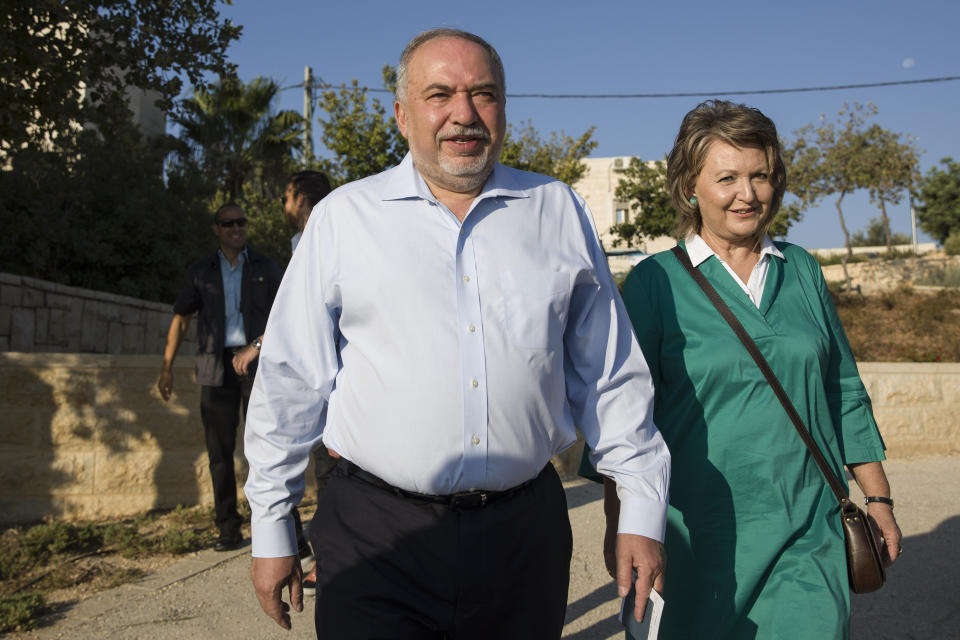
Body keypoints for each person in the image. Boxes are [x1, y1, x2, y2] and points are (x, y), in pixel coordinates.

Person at [243, 28, 671, 638]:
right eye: (439, 94)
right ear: (401, 113)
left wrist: (641, 510)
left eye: (484, 95)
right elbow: (291, 380)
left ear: (503, 108)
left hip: (524, 537)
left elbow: (609, 374)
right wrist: (271, 524)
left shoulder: (557, 210)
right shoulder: (345, 219)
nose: (463, 115)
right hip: (375, 538)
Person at [583, 99, 902, 639]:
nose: (748, 193)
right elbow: (624, 419)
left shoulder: (800, 270)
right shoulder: (653, 283)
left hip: (810, 529)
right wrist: (624, 531)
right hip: (696, 535)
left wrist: (879, 499)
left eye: (760, 176)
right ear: (690, 186)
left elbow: (842, 388)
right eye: (727, 177)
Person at [158, 203, 284, 551]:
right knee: (219, 452)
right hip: (215, 371)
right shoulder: (201, 272)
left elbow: (285, 313)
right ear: (216, 229)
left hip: (257, 367)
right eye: (228, 223)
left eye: (241, 222)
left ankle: (277, 528)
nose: (235, 228)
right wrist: (167, 366)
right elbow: (181, 319)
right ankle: (228, 527)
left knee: (267, 449)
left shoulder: (265, 267)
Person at [280, 169, 336, 595]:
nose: (285, 207)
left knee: (332, 475)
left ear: (300, 198)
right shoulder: (333, 230)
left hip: (329, 383)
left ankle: (331, 560)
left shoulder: (313, 241)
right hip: (334, 378)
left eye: (286, 197)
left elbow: (303, 322)